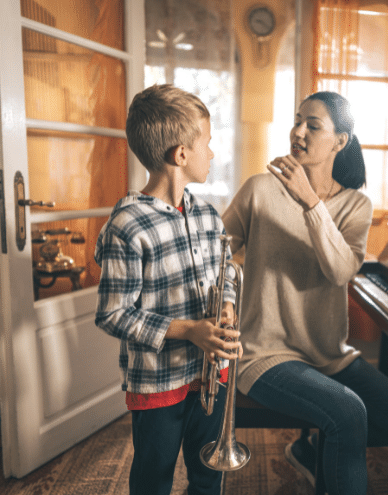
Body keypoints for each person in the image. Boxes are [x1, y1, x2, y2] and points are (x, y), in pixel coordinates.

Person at [222, 91, 388, 494]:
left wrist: (310, 201)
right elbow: (216, 253)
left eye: (312, 126)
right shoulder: (260, 189)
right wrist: (227, 299)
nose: (298, 132)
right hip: (265, 355)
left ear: (340, 141)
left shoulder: (356, 205)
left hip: (329, 357)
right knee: (347, 412)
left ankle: (314, 452)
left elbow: (340, 271)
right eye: (298, 121)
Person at [94, 84, 241, 495]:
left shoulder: (210, 216)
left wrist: (226, 306)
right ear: (180, 154)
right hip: (158, 384)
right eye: (207, 144)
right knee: (153, 480)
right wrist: (190, 330)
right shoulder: (128, 225)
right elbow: (114, 313)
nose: (212, 153)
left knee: (209, 473)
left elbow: (227, 273)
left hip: (211, 374)